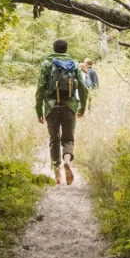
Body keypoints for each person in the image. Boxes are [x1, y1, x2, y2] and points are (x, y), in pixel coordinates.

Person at [36, 38, 88, 185]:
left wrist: (39, 110)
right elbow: (83, 87)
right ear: (66, 49)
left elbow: (40, 89)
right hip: (69, 106)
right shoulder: (74, 64)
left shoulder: (46, 64)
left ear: (54, 49)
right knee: (68, 138)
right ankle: (67, 161)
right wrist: (82, 107)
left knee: (54, 139)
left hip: (51, 107)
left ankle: (57, 172)